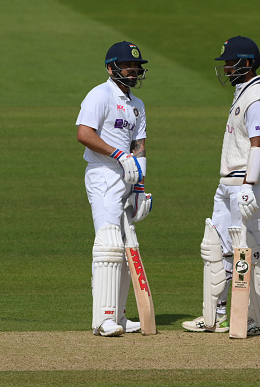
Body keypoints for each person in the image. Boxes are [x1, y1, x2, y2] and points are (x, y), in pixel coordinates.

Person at [182, 36, 260, 335]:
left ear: (247, 63)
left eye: (230, 62)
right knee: (219, 248)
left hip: (249, 184)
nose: (225, 68)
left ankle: (257, 318)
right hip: (229, 184)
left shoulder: (257, 97)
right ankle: (219, 313)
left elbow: (258, 145)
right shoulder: (243, 93)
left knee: (248, 250)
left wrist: (249, 185)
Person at [76, 41, 153, 337]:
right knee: (108, 244)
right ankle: (102, 318)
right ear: (111, 68)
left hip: (127, 177)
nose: (133, 71)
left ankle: (119, 315)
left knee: (124, 247)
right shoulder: (100, 94)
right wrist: (117, 155)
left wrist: (140, 187)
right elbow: (84, 133)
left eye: (136, 67)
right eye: (128, 66)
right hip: (103, 174)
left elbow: (139, 145)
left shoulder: (137, 105)